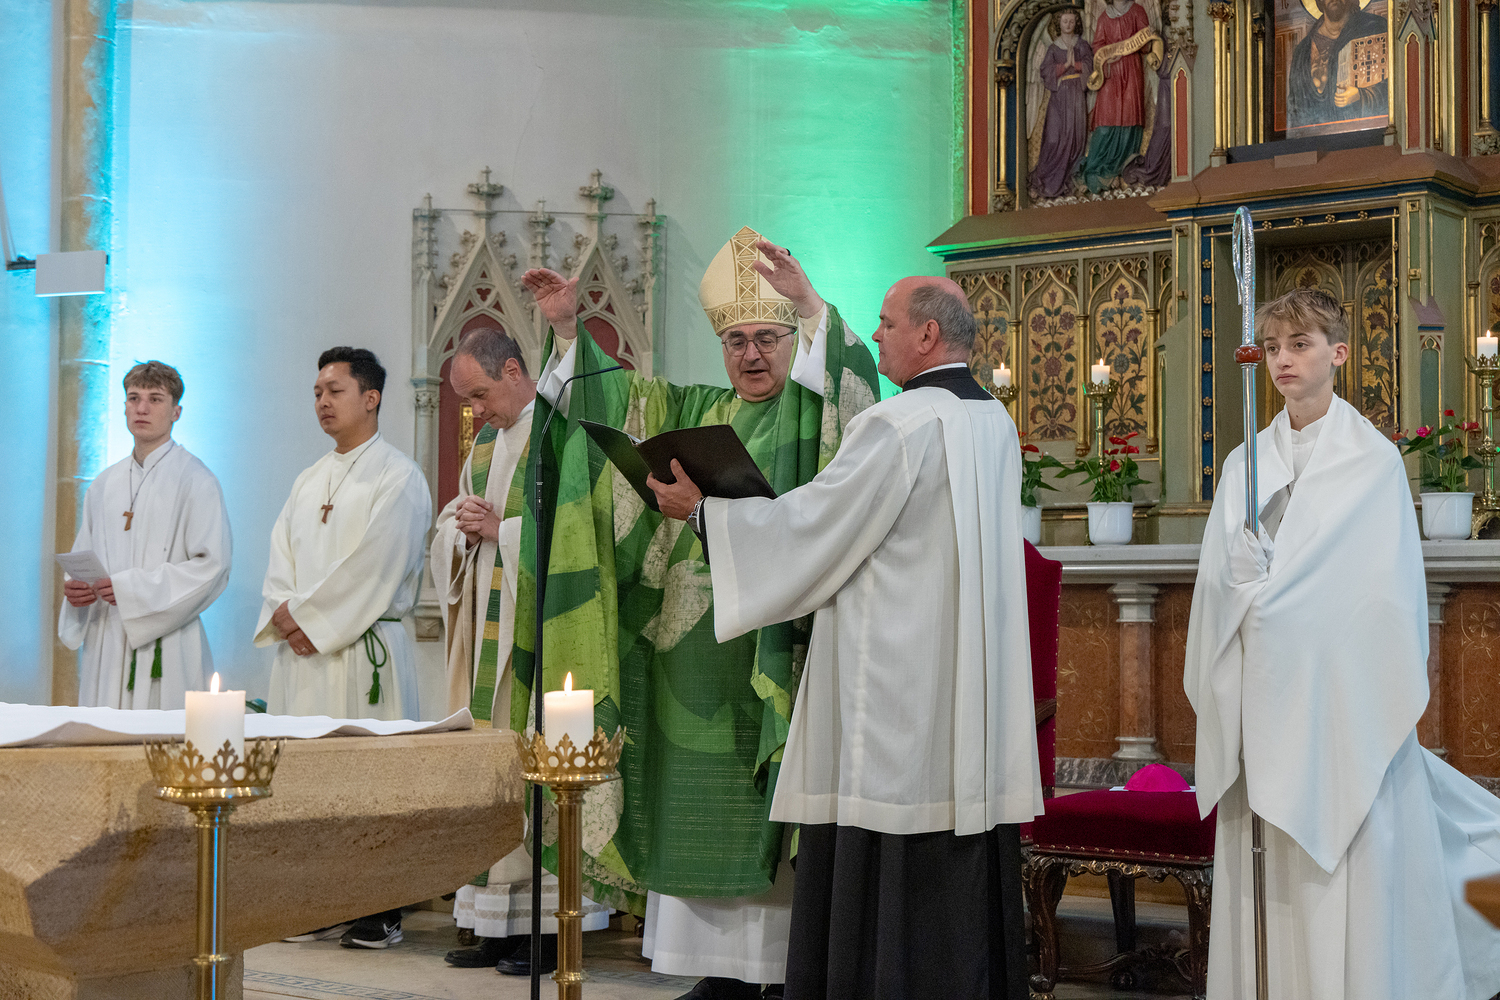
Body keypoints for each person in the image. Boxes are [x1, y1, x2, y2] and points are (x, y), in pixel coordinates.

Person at [647, 276, 1039, 1000]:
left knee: (885, 855)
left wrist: (704, 514)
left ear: (927, 335)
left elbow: (815, 528)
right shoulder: (994, 420)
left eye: (887, 323)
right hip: (964, 693)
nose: (878, 334)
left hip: (888, 692)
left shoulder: (899, 426)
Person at [516, 227, 879, 998]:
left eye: (769, 338)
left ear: (793, 342)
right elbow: (607, 407)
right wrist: (568, 330)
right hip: (687, 655)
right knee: (690, 797)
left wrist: (812, 305)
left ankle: (775, 970)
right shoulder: (694, 409)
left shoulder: (809, 414)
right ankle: (717, 972)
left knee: (763, 807)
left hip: (774, 647)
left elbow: (855, 395)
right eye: (736, 341)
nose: (751, 355)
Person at [1184, 289, 1500, 999]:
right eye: (1273, 347)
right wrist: (1238, 584)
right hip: (1260, 704)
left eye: (1300, 344)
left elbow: (1374, 595)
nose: (1283, 360)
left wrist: (1270, 600)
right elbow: (1217, 588)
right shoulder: (1243, 465)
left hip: (1339, 704)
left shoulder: (1372, 462)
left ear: (1340, 353)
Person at [429, 329, 609, 975]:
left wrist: (501, 530)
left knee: (541, 770)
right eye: (467, 401)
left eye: (481, 395)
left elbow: (583, 529)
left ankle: (551, 931)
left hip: (542, 635)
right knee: (492, 775)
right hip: (487, 631)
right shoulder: (483, 447)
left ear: (513, 371)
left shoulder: (559, 435)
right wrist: (459, 533)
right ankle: (496, 926)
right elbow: (452, 524)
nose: (476, 411)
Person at [256, 346, 432, 951]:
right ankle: (317, 901)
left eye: (334, 390)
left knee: (370, 783)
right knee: (306, 782)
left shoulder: (399, 476)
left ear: (371, 398)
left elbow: (379, 562)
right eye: (317, 392)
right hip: (304, 658)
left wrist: (310, 619)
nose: (322, 402)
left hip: (365, 651)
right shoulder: (309, 479)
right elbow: (280, 557)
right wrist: (285, 613)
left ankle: (380, 908)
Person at [59, 361, 232, 710]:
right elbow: (84, 555)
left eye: (155, 399)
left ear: (176, 412)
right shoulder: (104, 484)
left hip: (168, 642)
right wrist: (77, 588)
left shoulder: (197, 480)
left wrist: (132, 590)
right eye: (133, 398)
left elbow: (213, 567)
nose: (141, 408)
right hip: (107, 639)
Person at [1077, 0, 1159, 193]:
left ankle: (1124, 170)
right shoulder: (1104, 18)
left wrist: (1144, 41)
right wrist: (1107, 56)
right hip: (1110, 73)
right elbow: (1098, 46)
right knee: (1106, 120)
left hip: (1131, 70)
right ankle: (1098, 170)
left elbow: (1146, 45)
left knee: (1130, 117)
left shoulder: (1137, 11)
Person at [1287, 0, 1387, 131]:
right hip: (1314, 139)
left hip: (1362, 136)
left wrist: (1361, 95)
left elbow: (1393, 85)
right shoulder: (1302, 52)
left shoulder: (1373, 27)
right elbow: (1295, 107)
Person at [1029, 8, 1092, 201]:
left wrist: (1077, 65)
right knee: (1054, 139)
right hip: (1059, 97)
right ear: (1059, 23)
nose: (1068, 25)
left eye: (1072, 21)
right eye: (1065, 21)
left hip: (1076, 95)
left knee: (1075, 138)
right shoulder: (1053, 48)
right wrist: (1065, 66)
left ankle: (1068, 182)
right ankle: (1044, 181)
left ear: (1076, 23)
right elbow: (1045, 70)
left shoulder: (1081, 45)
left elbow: (1090, 65)